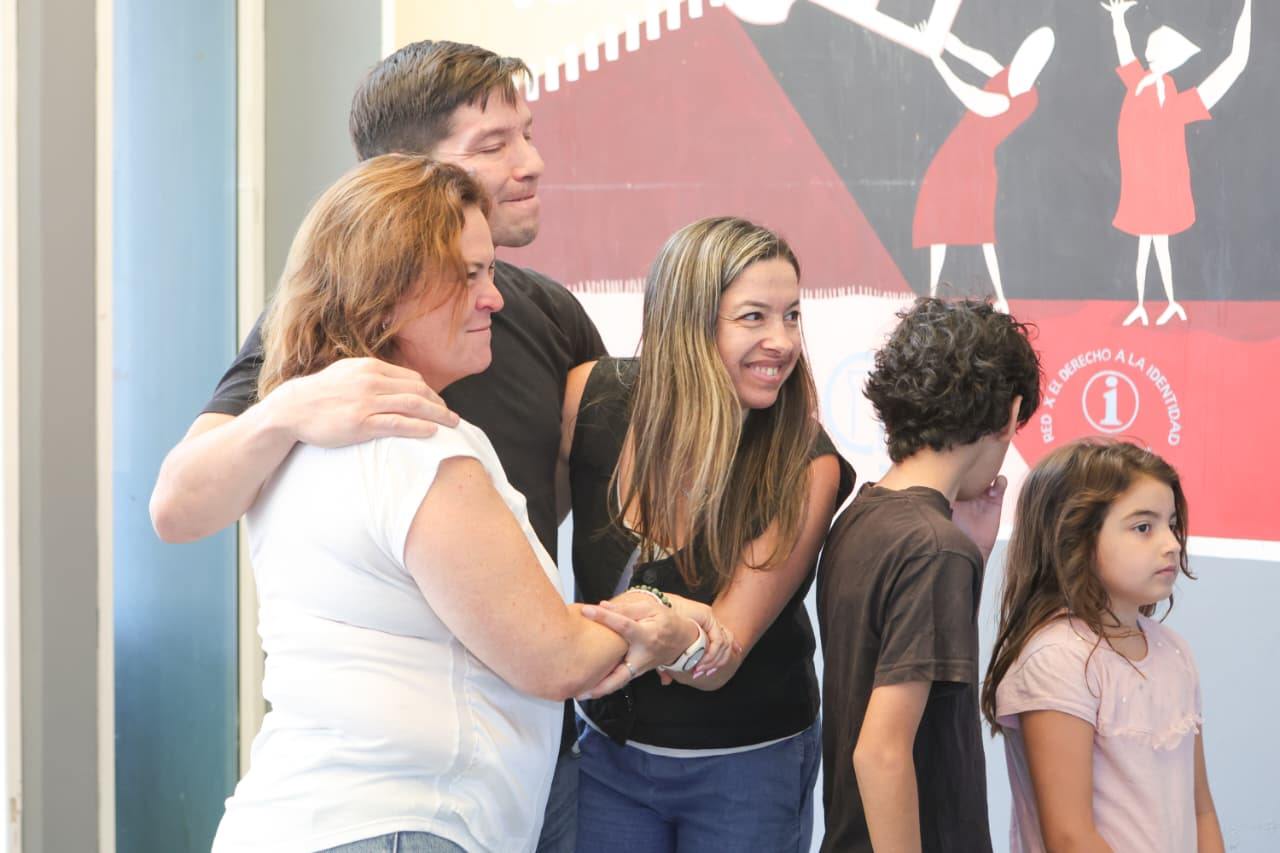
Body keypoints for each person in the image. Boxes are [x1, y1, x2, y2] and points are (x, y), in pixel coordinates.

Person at [149, 42, 610, 851]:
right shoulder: (309, 345)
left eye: (528, 134)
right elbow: (177, 505)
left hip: (515, 765)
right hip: (397, 800)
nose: (531, 163)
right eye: (494, 144)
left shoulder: (548, 315)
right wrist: (286, 411)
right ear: (405, 180)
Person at [209, 155, 717, 853]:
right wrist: (661, 615)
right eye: (468, 276)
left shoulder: (294, 438)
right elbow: (556, 658)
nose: (494, 299)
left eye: (491, 272)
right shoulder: (416, 451)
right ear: (388, 288)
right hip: (397, 825)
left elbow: (496, 627)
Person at [561, 217, 855, 851]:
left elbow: (720, 662)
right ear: (687, 321)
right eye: (754, 317)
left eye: (793, 316)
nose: (783, 342)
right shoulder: (590, 397)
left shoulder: (805, 462)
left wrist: (669, 631)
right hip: (607, 755)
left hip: (746, 767)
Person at [817, 297, 1041, 853]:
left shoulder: (863, 515)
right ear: (1009, 414)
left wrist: (972, 555)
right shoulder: (936, 550)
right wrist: (957, 553)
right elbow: (881, 752)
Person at [983, 439, 1223, 852]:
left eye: (1171, 524)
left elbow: (1201, 809)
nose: (1171, 543)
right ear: (1075, 538)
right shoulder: (1057, 658)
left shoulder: (1174, 652)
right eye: (1143, 527)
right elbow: (1070, 837)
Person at [1103, 0, 1252, 327]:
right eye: (1151, 47)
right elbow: (1123, 48)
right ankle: (1142, 304)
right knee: (1146, 247)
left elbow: (1232, 67)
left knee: (1159, 246)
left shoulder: (1175, 104)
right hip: (1139, 186)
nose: (1150, 53)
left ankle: (1168, 302)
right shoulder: (1138, 82)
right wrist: (1117, 17)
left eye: (1158, 50)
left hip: (1164, 187)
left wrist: (1248, 10)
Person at [911, 26, 1055, 313]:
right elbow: (974, 55)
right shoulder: (1007, 73)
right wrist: (944, 40)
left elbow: (970, 96)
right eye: (1024, 49)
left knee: (982, 232)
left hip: (974, 164)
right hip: (952, 155)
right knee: (939, 226)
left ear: (1039, 63)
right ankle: (931, 295)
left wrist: (937, 60)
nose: (1022, 57)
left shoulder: (1021, 100)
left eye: (1031, 54)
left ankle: (1001, 298)